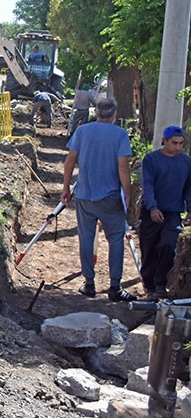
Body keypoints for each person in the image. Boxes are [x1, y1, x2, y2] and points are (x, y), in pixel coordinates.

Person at [62, 98, 136, 303]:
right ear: (114, 114)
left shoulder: (82, 131)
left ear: (96, 112)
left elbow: (69, 161)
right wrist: (127, 194)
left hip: (85, 195)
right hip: (111, 197)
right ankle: (115, 287)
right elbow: (123, 167)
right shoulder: (120, 134)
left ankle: (89, 283)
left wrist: (66, 188)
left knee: (86, 238)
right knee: (116, 240)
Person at [139, 126, 191, 300]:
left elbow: (189, 188)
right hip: (151, 211)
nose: (178, 147)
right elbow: (148, 185)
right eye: (174, 143)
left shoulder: (186, 162)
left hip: (173, 212)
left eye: (181, 143)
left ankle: (160, 284)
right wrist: (153, 207)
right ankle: (149, 287)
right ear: (165, 141)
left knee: (168, 245)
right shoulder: (151, 160)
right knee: (149, 249)